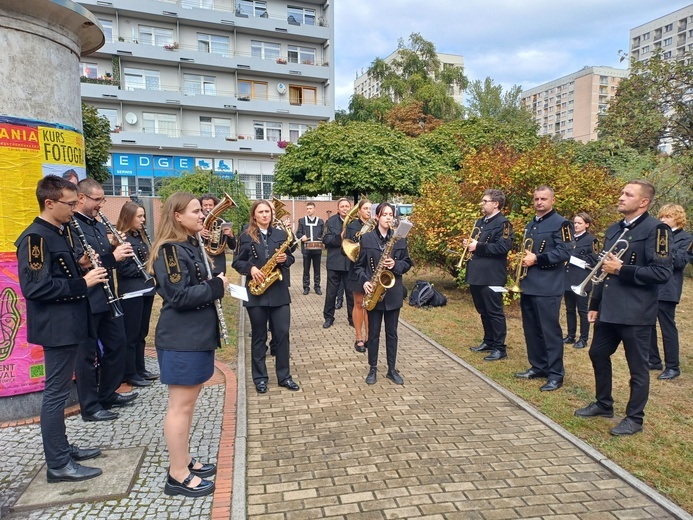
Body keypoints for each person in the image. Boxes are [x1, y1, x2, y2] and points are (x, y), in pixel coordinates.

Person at [15, 175, 108, 482]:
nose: (74, 209)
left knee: (57, 390)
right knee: (55, 394)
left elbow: (57, 272)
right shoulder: (36, 239)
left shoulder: (58, 231)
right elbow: (35, 289)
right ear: (50, 203)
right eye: (69, 204)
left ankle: (63, 449)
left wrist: (79, 265)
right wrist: (82, 283)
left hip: (68, 323)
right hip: (56, 328)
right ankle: (58, 464)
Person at [575, 180, 672, 436]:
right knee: (597, 353)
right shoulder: (613, 229)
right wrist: (594, 304)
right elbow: (601, 271)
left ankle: (634, 418)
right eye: (621, 193)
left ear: (643, 202)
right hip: (609, 308)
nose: (620, 197)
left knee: (637, 368)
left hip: (636, 312)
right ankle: (604, 404)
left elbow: (661, 272)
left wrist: (622, 269)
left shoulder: (657, 230)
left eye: (627, 194)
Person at [148, 192, 228, 497]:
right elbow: (179, 296)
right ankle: (177, 474)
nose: (202, 215)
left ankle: (184, 460)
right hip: (182, 339)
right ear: (177, 216)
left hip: (195, 337)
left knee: (187, 406)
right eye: (195, 211)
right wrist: (216, 286)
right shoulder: (170, 251)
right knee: (179, 408)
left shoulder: (189, 244)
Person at [73, 178, 138, 421]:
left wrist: (113, 244)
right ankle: (89, 407)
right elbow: (83, 263)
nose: (101, 204)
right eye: (97, 199)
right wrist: (114, 256)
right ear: (81, 198)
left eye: (103, 199)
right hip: (88, 299)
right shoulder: (72, 226)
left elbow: (102, 253)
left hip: (108, 296)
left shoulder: (99, 225)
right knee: (88, 355)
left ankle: (107, 392)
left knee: (118, 344)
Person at [232, 200, 299, 393]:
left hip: (278, 291)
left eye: (267, 211)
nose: (265, 215)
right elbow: (237, 262)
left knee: (282, 335)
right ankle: (260, 378)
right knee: (259, 336)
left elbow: (292, 258)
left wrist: (286, 259)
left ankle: (284, 376)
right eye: (260, 212)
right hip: (256, 292)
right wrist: (251, 268)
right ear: (254, 215)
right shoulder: (245, 235)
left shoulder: (280, 234)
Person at [514, 186, 574, 392]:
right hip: (529, 283)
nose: (539, 202)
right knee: (531, 330)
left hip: (548, 285)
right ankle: (538, 366)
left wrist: (537, 259)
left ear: (553, 200)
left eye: (544, 199)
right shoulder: (532, 223)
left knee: (550, 332)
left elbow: (565, 252)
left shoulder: (562, 223)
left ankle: (556, 374)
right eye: (536, 199)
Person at [355, 202, 413, 385]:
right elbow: (358, 267)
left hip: (393, 292)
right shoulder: (366, 239)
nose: (388, 217)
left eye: (391, 215)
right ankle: (372, 368)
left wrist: (396, 265)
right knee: (373, 334)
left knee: (392, 333)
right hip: (374, 291)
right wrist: (365, 282)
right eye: (385, 214)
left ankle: (391, 369)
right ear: (377, 217)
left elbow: (408, 263)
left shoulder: (400, 239)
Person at [465, 189, 514, 361]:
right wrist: (469, 244)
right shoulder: (480, 222)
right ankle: (489, 341)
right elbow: (476, 243)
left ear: (496, 204)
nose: (482, 204)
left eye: (485, 201)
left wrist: (478, 246)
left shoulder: (504, 224)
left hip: (492, 274)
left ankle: (500, 348)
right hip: (477, 273)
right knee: (483, 310)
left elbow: (502, 248)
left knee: (495, 311)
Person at [115, 201, 158, 387]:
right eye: (139, 216)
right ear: (129, 217)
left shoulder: (139, 237)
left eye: (143, 216)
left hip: (146, 290)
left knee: (142, 332)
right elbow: (123, 269)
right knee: (131, 335)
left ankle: (140, 368)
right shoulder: (122, 240)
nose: (143, 220)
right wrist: (148, 269)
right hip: (131, 292)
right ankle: (129, 372)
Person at [648, 204, 692, 380]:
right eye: (662, 216)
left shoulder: (686, 238)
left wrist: (663, 249)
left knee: (667, 328)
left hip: (668, 288)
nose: (663, 220)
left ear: (678, 219)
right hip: (651, 285)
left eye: (667, 217)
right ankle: (653, 359)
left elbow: (681, 262)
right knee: (648, 324)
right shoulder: (658, 235)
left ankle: (673, 366)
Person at [563, 212, 599, 350]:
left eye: (579, 223)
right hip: (567, 277)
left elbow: (593, 260)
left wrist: (573, 259)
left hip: (581, 278)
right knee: (569, 309)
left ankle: (583, 338)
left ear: (587, 225)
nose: (576, 225)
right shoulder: (569, 238)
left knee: (582, 310)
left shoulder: (592, 240)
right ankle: (570, 335)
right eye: (575, 223)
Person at [322, 198, 354, 328]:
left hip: (350, 262)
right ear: (338, 209)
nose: (345, 208)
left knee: (351, 293)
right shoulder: (331, 221)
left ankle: (352, 318)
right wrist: (339, 237)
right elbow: (326, 239)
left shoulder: (354, 222)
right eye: (342, 206)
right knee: (331, 293)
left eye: (347, 206)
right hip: (335, 262)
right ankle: (328, 317)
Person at [346, 199, 372, 353]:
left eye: (370, 208)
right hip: (356, 267)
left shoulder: (374, 226)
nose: (369, 211)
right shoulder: (352, 226)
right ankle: (359, 337)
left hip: (371, 268)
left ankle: (370, 337)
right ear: (359, 211)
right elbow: (346, 248)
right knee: (358, 303)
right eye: (366, 208)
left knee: (370, 305)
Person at [199, 193, 236, 276]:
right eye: (205, 205)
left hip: (218, 264)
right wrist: (198, 233)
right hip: (202, 261)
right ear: (201, 207)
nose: (208, 208)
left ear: (215, 206)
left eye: (210, 205)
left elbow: (233, 246)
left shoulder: (222, 222)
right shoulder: (196, 222)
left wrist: (231, 236)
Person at [295, 201, 324, 295]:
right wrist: (302, 236)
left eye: (310, 208)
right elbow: (298, 233)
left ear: (314, 209)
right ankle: (306, 287)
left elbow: (323, 233)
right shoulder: (302, 220)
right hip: (306, 249)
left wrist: (322, 238)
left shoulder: (320, 221)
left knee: (317, 269)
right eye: (307, 208)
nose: (309, 210)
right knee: (306, 269)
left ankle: (317, 287)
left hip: (317, 249)